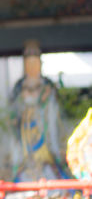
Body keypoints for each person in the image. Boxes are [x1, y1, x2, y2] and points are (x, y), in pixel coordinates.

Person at [9, 40, 70, 182]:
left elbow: (54, 112)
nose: (32, 66)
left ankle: (46, 163)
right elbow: (14, 109)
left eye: (35, 62)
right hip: (25, 129)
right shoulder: (19, 87)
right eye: (28, 62)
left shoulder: (46, 85)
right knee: (25, 156)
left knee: (47, 161)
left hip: (43, 126)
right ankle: (27, 166)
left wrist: (44, 102)